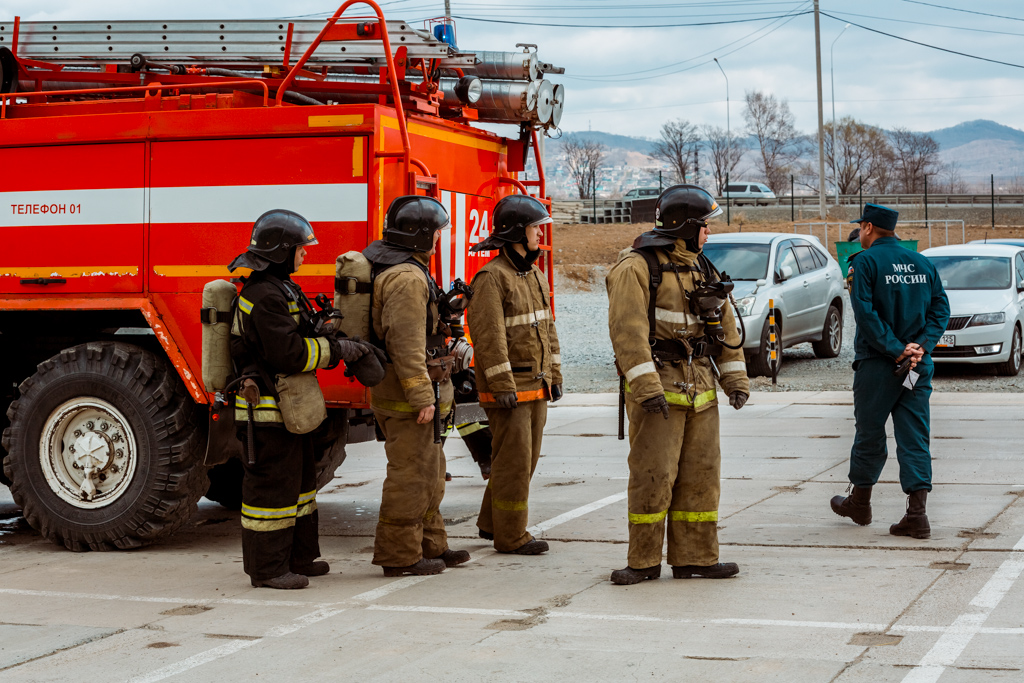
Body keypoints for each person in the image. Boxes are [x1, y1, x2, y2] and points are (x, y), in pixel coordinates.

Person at [605, 184, 749, 585]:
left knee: (702, 477)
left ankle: (697, 558)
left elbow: (727, 328)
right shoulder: (636, 267)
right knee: (654, 475)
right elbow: (627, 332)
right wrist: (646, 389)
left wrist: (735, 378)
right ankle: (644, 561)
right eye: (704, 226)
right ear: (684, 226)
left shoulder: (702, 267)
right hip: (660, 393)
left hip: (700, 390)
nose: (709, 234)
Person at [228, 209, 379, 589]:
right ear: (281, 251)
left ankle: (299, 557)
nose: (305, 254)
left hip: (288, 405)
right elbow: (289, 355)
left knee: (300, 486)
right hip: (265, 408)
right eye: (300, 248)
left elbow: (300, 334)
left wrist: (326, 331)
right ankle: (268, 569)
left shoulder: (282, 288)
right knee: (272, 492)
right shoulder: (263, 295)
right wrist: (336, 349)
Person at [364, 195, 471, 576]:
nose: (439, 240)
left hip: (411, 394)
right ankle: (398, 556)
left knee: (430, 472)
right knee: (409, 477)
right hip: (407, 398)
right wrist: (422, 396)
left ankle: (430, 545)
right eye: (437, 234)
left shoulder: (402, 268)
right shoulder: (407, 278)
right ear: (421, 236)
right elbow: (405, 344)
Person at [831, 204, 949, 539]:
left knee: (870, 432)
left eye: (861, 228)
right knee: (915, 435)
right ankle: (917, 514)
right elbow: (941, 307)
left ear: (868, 227)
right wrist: (920, 345)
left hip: (879, 364)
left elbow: (865, 315)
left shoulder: (864, 262)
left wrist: (897, 348)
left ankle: (861, 502)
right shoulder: (923, 262)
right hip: (917, 364)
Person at [467, 194, 562, 556]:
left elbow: (547, 329)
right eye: (536, 227)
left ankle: (492, 524)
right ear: (517, 232)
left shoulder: (533, 273)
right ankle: (512, 536)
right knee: (514, 465)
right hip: (510, 389)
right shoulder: (492, 277)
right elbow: (488, 337)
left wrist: (554, 374)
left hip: (536, 384)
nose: (541, 233)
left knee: (524, 460)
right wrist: (502, 384)